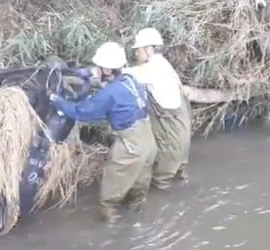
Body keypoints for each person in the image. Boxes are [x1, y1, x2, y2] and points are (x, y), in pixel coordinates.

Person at [49, 42, 157, 223]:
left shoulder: (109, 94)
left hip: (131, 145)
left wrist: (58, 101)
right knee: (138, 187)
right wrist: (95, 80)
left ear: (107, 69)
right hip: (148, 140)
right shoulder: (129, 79)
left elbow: (83, 112)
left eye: (98, 67)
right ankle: (138, 219)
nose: (95, 69)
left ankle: (112, 229)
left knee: (110, 193)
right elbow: (117, 95)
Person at [123, 27, 192, 190]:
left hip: (171, 140)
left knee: (161, 182)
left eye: (138, 50)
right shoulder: (163, 64)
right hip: (182, 139)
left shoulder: (153, 69)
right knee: (177, 175)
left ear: (149, 49)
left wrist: (97, 72)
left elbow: (124, 75)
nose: (136, 54)